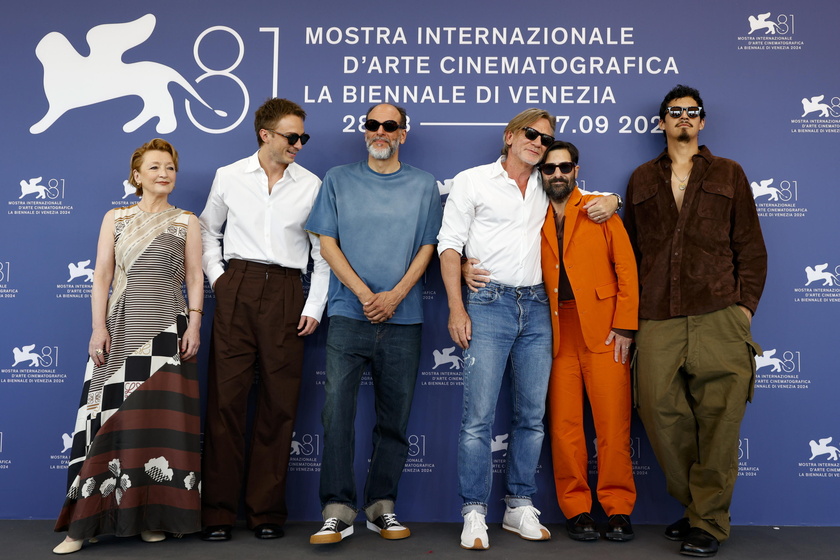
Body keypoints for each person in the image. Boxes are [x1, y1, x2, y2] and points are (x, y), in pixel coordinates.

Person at [438, 108, 619, 550]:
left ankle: (519, 504)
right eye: (531, 134)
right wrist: (457, 307)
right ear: (509, 136)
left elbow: (589, 199)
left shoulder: (547, 182)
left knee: (531, 418)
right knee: (477, 418)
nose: (539, 143)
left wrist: (613, 199)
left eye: (546, 138)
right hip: (487, 304)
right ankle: (474, 511)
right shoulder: (473, 180)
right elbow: (449, 245)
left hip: (540, 307)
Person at [624, 85, 767, 557]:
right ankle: (694, 507)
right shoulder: (642, 179)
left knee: (721, 420)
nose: (683, 117)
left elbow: (750, 246)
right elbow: (631, 254)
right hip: (658, 316)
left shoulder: (729, 172)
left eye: (692, 112)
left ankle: (707, 522)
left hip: (718, 314)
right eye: (674, 112)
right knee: (660, 414)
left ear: (701, 122)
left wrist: (742, 310)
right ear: (662, 122)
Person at [53, 138, 204, 554]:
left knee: (155, 429)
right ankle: (81, 528)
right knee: (108, 425)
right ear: (137, 176)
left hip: (166, 337)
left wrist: (194, 326)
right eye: (155, 167)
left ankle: (150, 518)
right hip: (120, 331)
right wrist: (97, 327)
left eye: (170, 167)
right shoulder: (116, 218)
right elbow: (101, 275)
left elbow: (195, 278)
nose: (164, 174)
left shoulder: (187, 222)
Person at [304, 103, 443, 545]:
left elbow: (427, 247)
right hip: (349, 315)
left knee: (394, 421)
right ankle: (338, 511)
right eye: (372, 125)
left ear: (403, 133)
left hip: (404, 319)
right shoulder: (337, 179)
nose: (379, 132)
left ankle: (381, 507)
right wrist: (366, 296)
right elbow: (327, 244)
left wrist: (397, 295)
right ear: (364, 131)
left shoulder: (423, 185)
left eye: (389, 126)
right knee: (337, 415)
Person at [198, 98, 329, 541]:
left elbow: (322, 252)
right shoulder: (229, 177)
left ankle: (266, 511)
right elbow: (205, 231)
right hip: (238, 282)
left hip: (289, 290)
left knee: (279, 405)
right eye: (291, 136)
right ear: (265, 135)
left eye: (302, 138)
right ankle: (216, 512)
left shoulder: (311, 184)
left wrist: (313, 305)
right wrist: (220, 279)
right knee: (225, 403)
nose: (298, 144)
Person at [536, 141, 638, 542]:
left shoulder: (600, 207)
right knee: (564, 427)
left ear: (576, 170)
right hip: (555, 330)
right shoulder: (530, 211)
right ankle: (576, 509)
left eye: (564, 167)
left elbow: (626, 268)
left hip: (604, 328)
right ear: (540, 173)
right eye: (549, 169)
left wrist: (626, 326)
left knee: (613, 425)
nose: (557, 174)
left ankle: (617, 508)